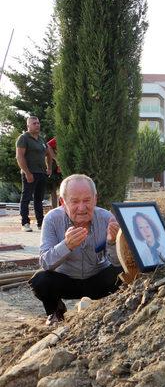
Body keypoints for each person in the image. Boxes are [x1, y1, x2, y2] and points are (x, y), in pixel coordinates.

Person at [29, 174, 122, 325]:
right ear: (62, 202)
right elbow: (45, 262)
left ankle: (109, 309)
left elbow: (117, 262)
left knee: (121, 273)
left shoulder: (106, 218)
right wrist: (67, 245)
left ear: (95, 199)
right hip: (67, 280)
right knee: (40, 280)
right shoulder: (52, 219)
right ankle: (56, 310)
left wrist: (112, 243)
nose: (82, 208)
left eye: (87, 200)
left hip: (97, 279)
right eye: (75, 201)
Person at [15, 116, 52, 232]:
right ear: (28, 126)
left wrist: (49, 168)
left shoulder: (41, 140)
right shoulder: (23, 138)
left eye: (38, 123)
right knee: (26, 198)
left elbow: (49, 154)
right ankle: (25, 223)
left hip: (41, 173)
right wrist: (27, 172)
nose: (37, 125)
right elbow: (19, 156)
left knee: (39, 199)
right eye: (34, 123)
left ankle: (41, 223)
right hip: (30, 173)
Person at [46, 137, 64, 207]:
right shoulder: (62, 135)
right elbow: (48, 145)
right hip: (55, 168)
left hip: (64, 166)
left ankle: (61, 207)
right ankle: (56, 209)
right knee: (54, 189)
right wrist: (56, 158)